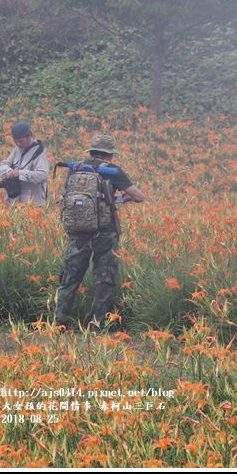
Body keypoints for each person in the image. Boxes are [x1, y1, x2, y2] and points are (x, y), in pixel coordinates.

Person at [55, 134, 146, 333]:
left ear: (92, 151)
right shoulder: (112, 171)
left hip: (78, 231)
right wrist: (120, 198)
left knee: (70, 277)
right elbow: (139, 196)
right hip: (105, 232)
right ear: (110, 155)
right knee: (104, 279)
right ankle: (96, 326)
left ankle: (59, 323)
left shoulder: (75, 169)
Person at [0, 122, 49, 207]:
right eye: (15, 141)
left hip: (32, 204)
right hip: (15, 202)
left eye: (21, 141)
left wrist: (20, 174)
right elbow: (4, 165)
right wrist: (9, 171)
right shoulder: (17, 149)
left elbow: (43, 175)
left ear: (29, 136)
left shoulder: (39, 152)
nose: (18, 144)